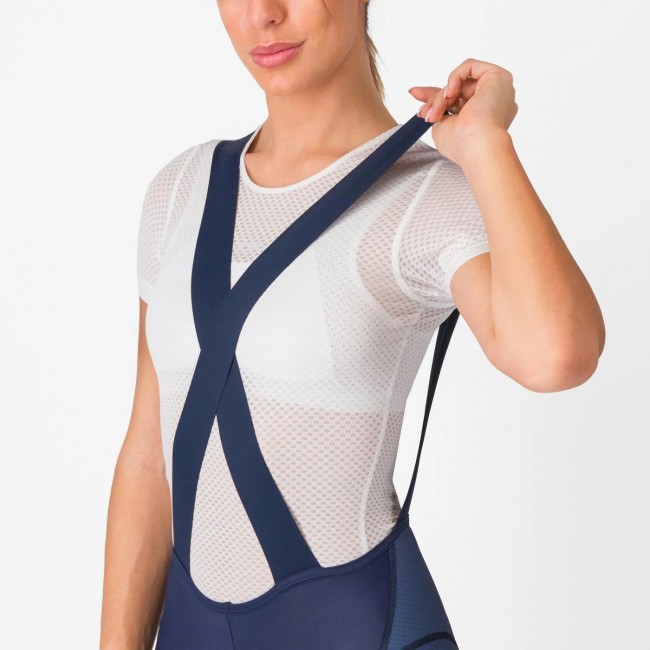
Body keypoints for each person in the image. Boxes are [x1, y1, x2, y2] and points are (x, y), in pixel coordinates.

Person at [99, 1, 606, 648]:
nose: (263, 14)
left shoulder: (426, 195)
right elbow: (148, 453)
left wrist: (486, 145)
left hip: (357, 627)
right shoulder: (179, 191)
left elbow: (556, 355)